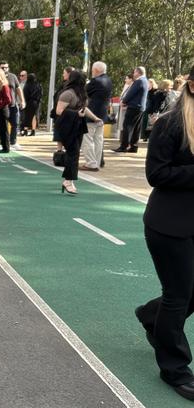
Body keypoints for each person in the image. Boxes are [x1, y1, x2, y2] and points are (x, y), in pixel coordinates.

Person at [134, 68, 194, 401]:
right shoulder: (171, 123)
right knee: (179, 294)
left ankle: (149, 316)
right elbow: (156, 173)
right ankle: (176, 369)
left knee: (189, 292)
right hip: (168, 225)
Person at [55, 70, 102, 194]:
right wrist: (76, 113)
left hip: (78, 125)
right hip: (66, 126)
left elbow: (84, 109)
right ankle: (68, 181)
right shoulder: (67, 94)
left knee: (74, 153)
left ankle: (68, 180)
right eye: (84, 79)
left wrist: (95, 118)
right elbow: (59, 111)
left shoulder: (81, 94)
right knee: (73, 153)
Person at [80, 61, 112, 171]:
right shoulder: (108, 80)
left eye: (93, 70)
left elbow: (84, 92)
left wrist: (87, 83)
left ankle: (91, 163)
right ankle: (97, 163)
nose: (92, 72)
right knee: (98, 140)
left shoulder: (95, 81)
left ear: (97, 71)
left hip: (92, 114)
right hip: (102, 114)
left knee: (87, 139)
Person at [115, 66, 149, 153]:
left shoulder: (139, 81)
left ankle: (124, 146)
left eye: (134, 72)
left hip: (134, 107)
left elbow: (131, 93)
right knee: (136, 128)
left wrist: (124, 101)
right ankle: (134, 146)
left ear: (138, 73)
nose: (133, 74)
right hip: (140, 107)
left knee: (127, 126)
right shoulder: (145, 81)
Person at [0, 61, 26, 150]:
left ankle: (13, 142)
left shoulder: (13, 77)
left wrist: (22, 101)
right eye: (2, 68)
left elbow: (18, 89)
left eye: (6, 67)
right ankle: (3, 142)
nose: (5, 69)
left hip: (13, 105)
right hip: (2, 106)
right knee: (2, 125)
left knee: (15, 123)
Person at [52, 66, 74, 152]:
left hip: (65, 112)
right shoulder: (64, 84)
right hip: (60, 112)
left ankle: (62, 151)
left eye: (64, 73)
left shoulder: (70, 86)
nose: (63, 74)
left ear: (69, 74)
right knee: (60, 133)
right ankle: (59, 151)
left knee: (63, 133)